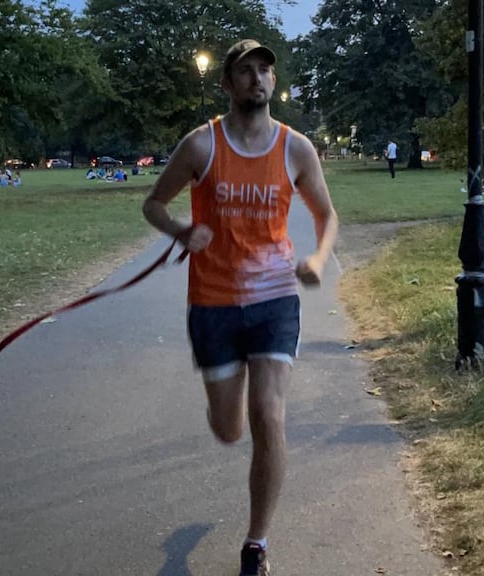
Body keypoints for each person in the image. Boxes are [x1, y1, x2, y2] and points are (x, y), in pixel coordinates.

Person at [142, 39, 338, 576]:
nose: (257, 79)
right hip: (214, 305)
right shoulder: (200, 146)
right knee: (230, 429)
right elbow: (152, 204)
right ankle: (222, 409)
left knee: (269, 414)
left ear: (273, 83)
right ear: (227, 84)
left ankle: (256, 543)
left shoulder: (295, 148)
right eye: (245, 71)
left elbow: (327, 215)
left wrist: (318, 258)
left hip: (275, 297)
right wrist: (183, 229)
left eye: (264, 71)